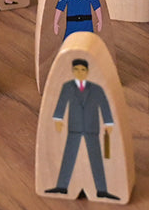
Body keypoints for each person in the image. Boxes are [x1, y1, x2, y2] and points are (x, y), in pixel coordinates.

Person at [45, 58, 118, 200]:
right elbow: (61, 102)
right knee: (68, 156)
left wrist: (108, 123)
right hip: (74, 127)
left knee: (96, 157)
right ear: (72, 71)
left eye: (83, 70)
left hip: (92, 127)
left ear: (87, 71)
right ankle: (62, 186)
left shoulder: (96, 89)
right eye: (77, 70)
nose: (80, 73)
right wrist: (58, 119)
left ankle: (102, 189)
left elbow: (104, 105)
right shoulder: (67, 87)